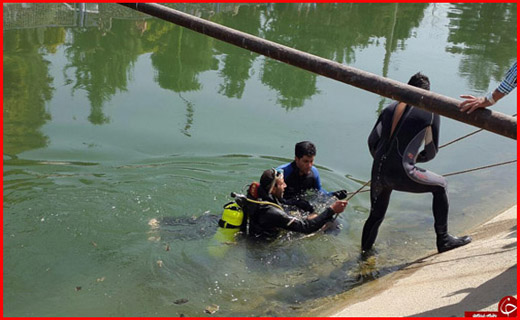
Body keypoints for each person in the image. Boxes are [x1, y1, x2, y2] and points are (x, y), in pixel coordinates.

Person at [361, 72, 471, 254]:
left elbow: (372, 142)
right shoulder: (431, 112)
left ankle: (364, 256)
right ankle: (443, 240)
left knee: (375, 215)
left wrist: (384, 162)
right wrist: (413, 159)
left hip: (378, 170)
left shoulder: (389, 109)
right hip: (402, 171)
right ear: (427, 94)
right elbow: (431, 152)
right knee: (441, 185)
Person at [245, 168, 347, 239]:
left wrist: (300, 203)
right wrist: (331, 210)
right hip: (265, 249)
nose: (285, 186)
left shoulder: (263, 196)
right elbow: (305, 228)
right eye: (282, 184)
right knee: (328, 224)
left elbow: (284, 202)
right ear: (273, 188)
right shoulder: (271, 212)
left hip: (263, 230)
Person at [276, 141, 348, 207]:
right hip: (284, 205)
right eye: (306, 161)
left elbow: (320, 194)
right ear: (296, 159)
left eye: (311, 161)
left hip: (303, 205)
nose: (309, 165)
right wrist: (292, 203)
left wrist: (334, 195)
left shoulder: (314, 173)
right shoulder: (282, 172)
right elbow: (269, 196)